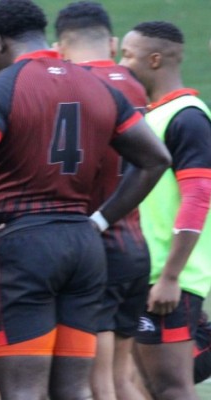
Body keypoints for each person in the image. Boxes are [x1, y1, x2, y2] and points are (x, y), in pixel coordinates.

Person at [0, 1, 171, 399]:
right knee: (74, 390)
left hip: (21, 247)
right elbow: (156, 159)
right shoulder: (98, 86)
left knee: (23, 390)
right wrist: (100, 221)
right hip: (84, 247)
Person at [54, 3, 150, 399]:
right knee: (123, 378)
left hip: (96, 248)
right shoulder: (133, 84)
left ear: (59, 47)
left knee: (98, 385)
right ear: (111, 42)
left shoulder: (73, 86)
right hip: (133, 245)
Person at [120, 20, 211, 400]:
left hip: (170, 280)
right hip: (148, 274)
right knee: (148, 387)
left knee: (171, 388)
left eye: (127, 55)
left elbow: (198, 195)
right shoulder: (153, 114)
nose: (120, 64)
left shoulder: (187, 117)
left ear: (154, 59)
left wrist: (171, 276)